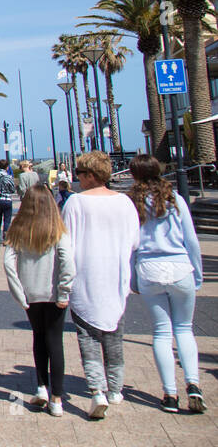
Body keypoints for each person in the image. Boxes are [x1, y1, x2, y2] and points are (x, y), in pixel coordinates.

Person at [62, 150, 140, 420]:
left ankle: (97, 389)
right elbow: (134, 241)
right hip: (116, 275)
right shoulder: (125, 203)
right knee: (114, 333)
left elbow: (66, 243)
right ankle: (116, 389)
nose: (77, 178)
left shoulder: (75, 203)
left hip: (84, 276)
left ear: (91, 175)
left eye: (80, 174)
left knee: (88, 337)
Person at [128, 155, 205, 414]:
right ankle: (193, 384)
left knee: (162, 332)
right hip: (180, 265)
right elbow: (191, 241)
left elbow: (131, 245)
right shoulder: (175, 200)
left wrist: (132, 277)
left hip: (149, 268)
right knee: (184, 329)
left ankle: (169, 394)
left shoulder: (134, 203)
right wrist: (197, 273)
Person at [4, 186, 76, 417]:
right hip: (54, 295)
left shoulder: (18, 228)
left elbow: (8, 263)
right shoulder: (57, 228)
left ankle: (42, 388)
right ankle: (57, 399)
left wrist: (19, 294)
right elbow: (67, 262)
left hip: (31, 295)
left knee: (39, 338)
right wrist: (64, 292)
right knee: (55, 342)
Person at [0, 158, 18, 245]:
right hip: (7, 200)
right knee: (7, 221)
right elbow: (12, 190)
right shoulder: (8, 177)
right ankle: (6, 238)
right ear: (7, 167)